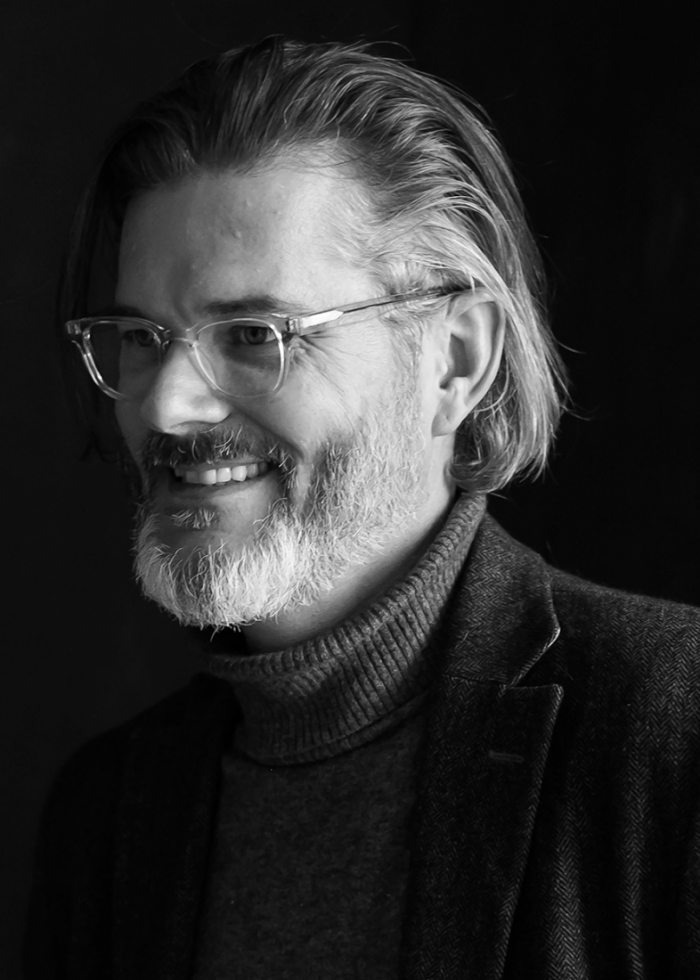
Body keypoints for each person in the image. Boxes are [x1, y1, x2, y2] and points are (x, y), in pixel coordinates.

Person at [25, 36, 699, 980]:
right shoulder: (106, 814)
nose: (167, 406)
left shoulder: (670, 732)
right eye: (141, 335)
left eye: (256, 333)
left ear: (456, 360)